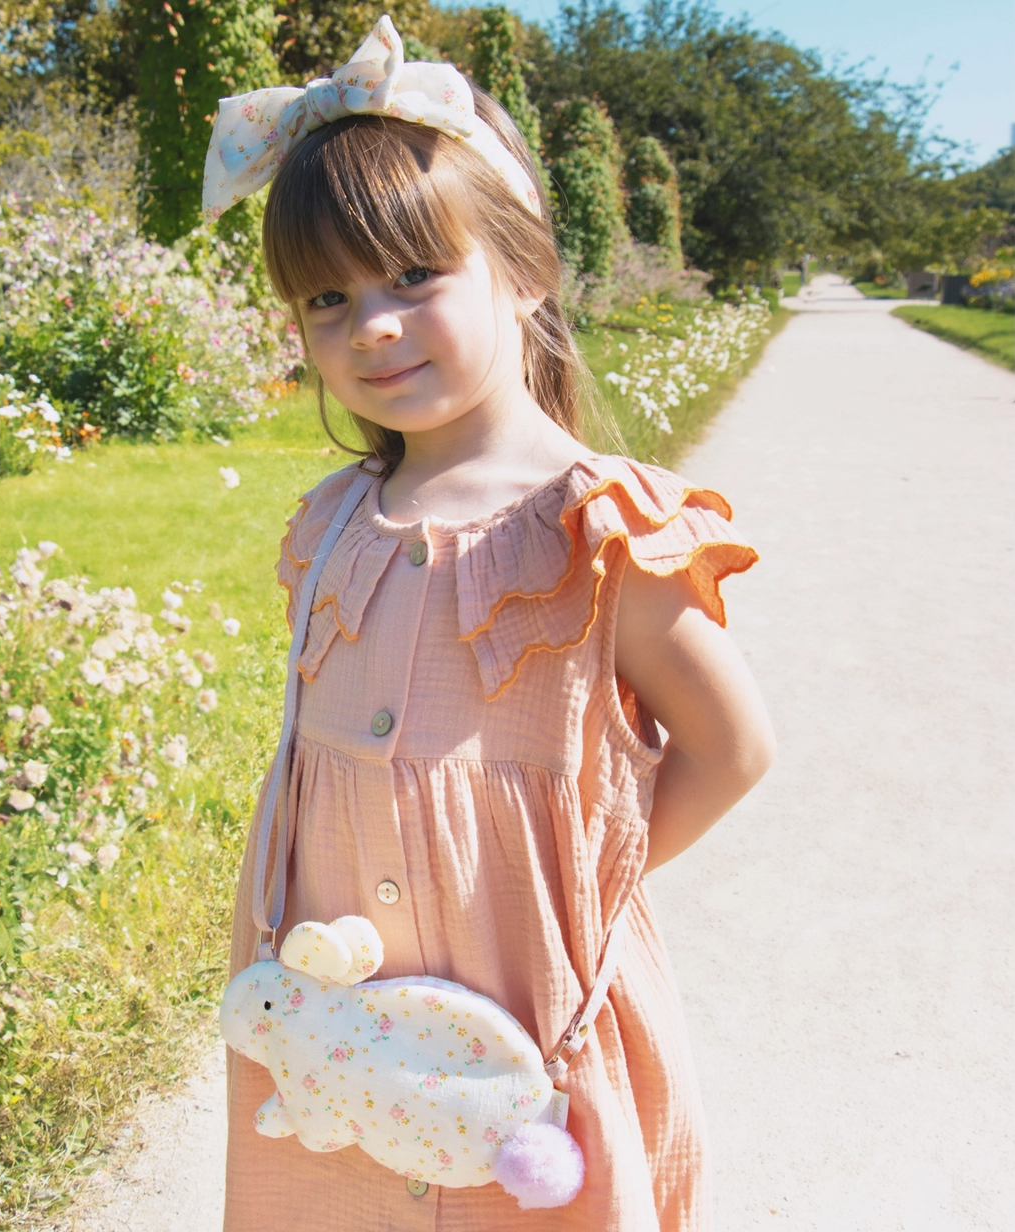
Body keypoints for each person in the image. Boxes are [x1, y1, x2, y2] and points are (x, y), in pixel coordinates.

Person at [203, 18, 774, 1231]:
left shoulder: (596, 531)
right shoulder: (335, 525)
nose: (372, 324)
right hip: (340, 1031)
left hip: (528, 1027)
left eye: (414, 276)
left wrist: (565, 890)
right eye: (328, 297)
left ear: (522, 270)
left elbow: (731, 748)